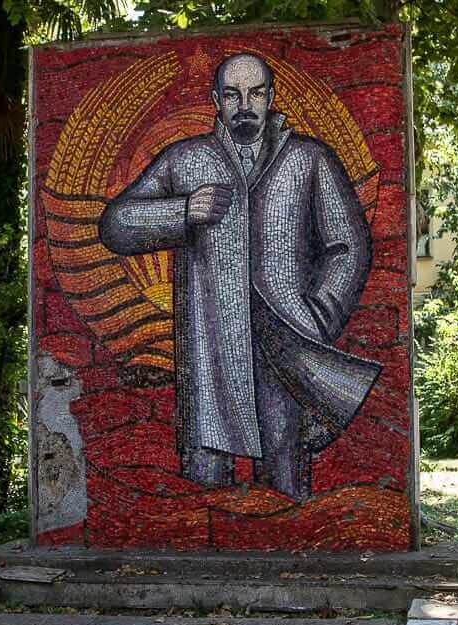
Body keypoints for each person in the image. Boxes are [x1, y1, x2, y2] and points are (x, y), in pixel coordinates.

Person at [99, 52, 380, 501]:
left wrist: (316, 318)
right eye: (232, 95)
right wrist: (183, 211)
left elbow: (349, 248)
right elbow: (115, 224)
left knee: (287, 482)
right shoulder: (184, 160)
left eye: (254, 93)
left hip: (286, 351)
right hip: (209, 355)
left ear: (270, 97)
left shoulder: (309, 159)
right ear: (216, 100)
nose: (244, 104)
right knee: (204, 492)